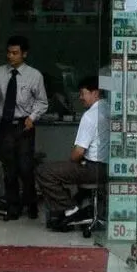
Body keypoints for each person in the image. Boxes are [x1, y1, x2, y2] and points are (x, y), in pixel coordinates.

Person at [0, 35, 48, 219]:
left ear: (24, 54)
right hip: (6, 125)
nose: (10, 56)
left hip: (24, 125)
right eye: (9, 52)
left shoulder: (34, 75)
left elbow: (42, 102)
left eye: (15, 53)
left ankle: (31, 203)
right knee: (9, 168)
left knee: (25, 167)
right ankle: (13, 206)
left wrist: (33, 117)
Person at [36, 76, 109, 231]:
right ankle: (73, 207)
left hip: (93, 169)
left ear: (95, 93)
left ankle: (69, 209)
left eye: (83, 93)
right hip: (108, 168)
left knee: (44, 171)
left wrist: (71, 162)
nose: (80, 98)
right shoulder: (110, 110)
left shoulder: (90, 116)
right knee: (65, 169)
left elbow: (78, 153)